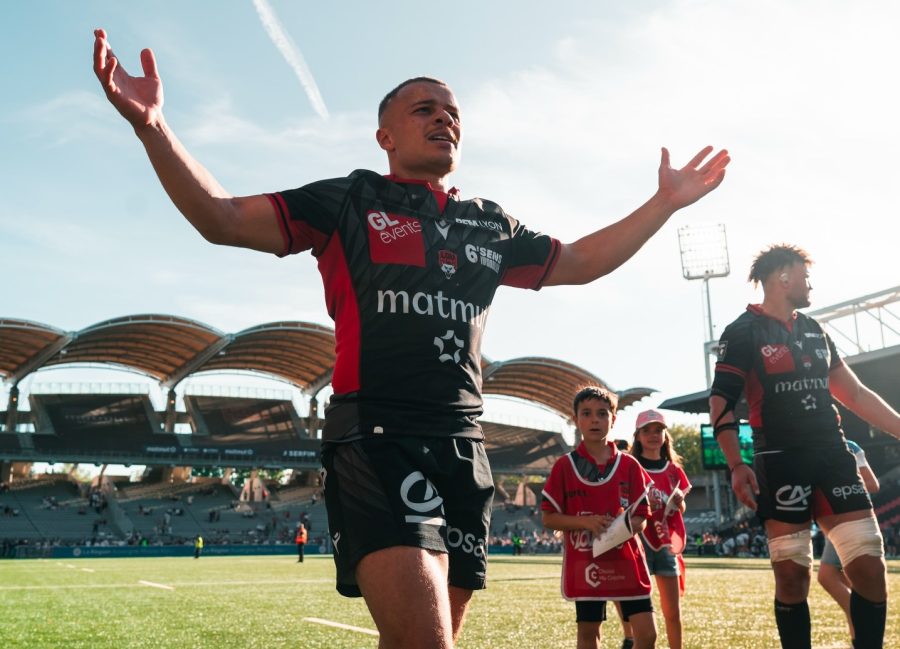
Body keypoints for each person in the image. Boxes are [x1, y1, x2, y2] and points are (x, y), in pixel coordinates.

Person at [92, 28, 729, 648]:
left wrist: (662, 205)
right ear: (385, 135)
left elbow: (582, 262)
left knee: (415, 640)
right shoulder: (350, 201)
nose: (444, 120)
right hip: (378, 439)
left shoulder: (490, 225)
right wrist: (153, 127)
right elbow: (222, 217)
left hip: (464, 448)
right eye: (425, 109)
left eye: (453, 112)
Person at [709, 244, 900, 649]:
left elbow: (856, 394)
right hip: (779, 462)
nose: (809, 284)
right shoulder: (741, 332)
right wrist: (735, 463)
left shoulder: (815, 330)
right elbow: (721, 402)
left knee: (868, 565)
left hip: (833, 456)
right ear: (782, 277)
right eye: (805, 276)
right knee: (792, 576)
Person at [542, 387, 656, 649]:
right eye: (587, 413)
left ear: (613, 419)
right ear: (576, 419)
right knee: (589, 634)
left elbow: (641, 517)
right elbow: (549, 518)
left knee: (647, 635)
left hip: (626, 561)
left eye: (602, 414)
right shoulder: (564, 466)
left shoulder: (630, 465)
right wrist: (586, 522)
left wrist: (622, 528)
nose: (595, 419)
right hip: (586, 563)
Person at [626, 409, 691, 649]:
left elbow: (681, 506)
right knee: (641, 616)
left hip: (665, 543)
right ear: (638, 435)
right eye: (647, 430)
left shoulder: (673, 470)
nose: (653, 435)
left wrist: (676, 502)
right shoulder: (630, 466)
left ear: (665, 435)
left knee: (672, 612)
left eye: (658, 430)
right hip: (637, 541)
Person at [817, 439, 880, 643]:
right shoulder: (846, 445)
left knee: (827, 576)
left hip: (846, 516)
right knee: (848, 580)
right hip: (840, 518)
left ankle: (861, 623)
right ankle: (859, 635)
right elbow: (872, 485)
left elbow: (872, 485)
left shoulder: (845, 446)